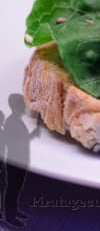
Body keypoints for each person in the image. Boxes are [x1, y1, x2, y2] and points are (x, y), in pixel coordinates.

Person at [2, 95, 39, 228]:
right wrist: (31, 136)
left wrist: (31, 136)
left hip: (20, 158)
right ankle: (9, 216)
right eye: (22, 104)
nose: (24, 107)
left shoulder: (16, 121)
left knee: (15, 188)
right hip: (14, 160)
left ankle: (14, 211)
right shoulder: (12, 121)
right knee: (12, 188)